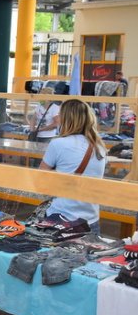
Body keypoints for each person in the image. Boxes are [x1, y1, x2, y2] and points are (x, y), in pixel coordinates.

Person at [39, 100, 106, 234]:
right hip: (90, 219)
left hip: (62, 217)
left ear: (66, 118)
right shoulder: (99, 147)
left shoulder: (58, 144)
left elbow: (40, 179)